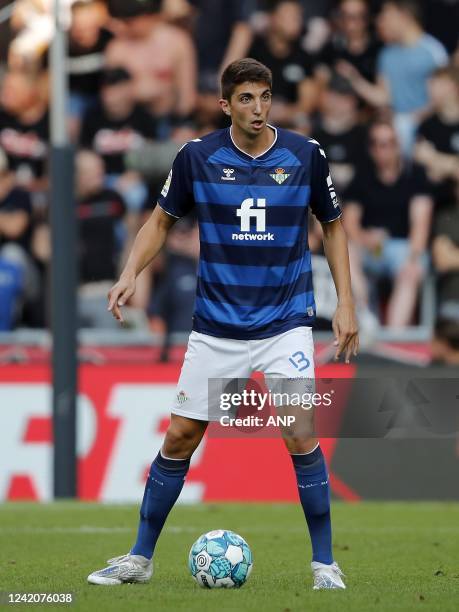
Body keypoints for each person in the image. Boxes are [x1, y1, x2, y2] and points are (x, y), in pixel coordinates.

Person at [87, 58, 358, 590]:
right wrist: (129, 273)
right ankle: (139, 559)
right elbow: (160, 221)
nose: (259, 108)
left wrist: (346, 301)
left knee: (301, 434)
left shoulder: (305, 155)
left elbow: (334, 227)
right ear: (225, 104)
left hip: (285, 323)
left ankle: (325, 564)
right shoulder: (197, 157)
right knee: (182, 437)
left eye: (265, 97)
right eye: (247, 99)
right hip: (217, 327)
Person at [343, 120, 434, 327]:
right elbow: (350, 222)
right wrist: (365, 238)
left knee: (411, 270)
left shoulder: (415, 175)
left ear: (397, 145)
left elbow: (421, 224)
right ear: (370, 148)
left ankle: (395, 335)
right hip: (369, 245)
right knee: (345, 252)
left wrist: (413, 258)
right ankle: (366, 317)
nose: (381, 149)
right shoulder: (363, 174)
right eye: (375, 143)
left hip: (403, 246)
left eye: (387, 143)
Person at [337, 0, 448, 154]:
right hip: (392, 137)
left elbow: (445, 97)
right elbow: (383, 97)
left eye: (388, 15)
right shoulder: (387, 54)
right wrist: (354, 79)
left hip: (428, 134)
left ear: (404, 16)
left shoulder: (433, 51)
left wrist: (412, 120)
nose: (381, 21)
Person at [249, 0, 318, 125]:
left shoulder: (303, 56)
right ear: (273, 18)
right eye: (291, 16)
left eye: (298, 17)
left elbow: (307, 103)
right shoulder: (253, 53)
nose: (297, 21)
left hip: (291, 123)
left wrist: (286, 113)